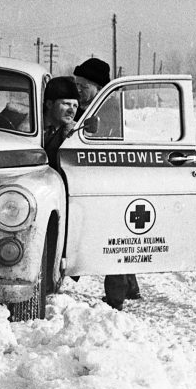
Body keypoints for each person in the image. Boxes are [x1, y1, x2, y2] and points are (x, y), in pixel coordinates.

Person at [71, 57, 140, 311]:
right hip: (101, 176)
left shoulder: (106, 109)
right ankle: (130, 286)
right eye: (76, 83)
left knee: (110, 236)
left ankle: (115, 299)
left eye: (84, 85)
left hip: (106, 178)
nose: (78, 89)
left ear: (98, 88)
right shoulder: (89, 107)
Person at [42, 76, 81, 171]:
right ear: (49, 104)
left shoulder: (75, 133)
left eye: (75, 106)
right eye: (66, 104)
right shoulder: (28, 126)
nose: (71, 111)